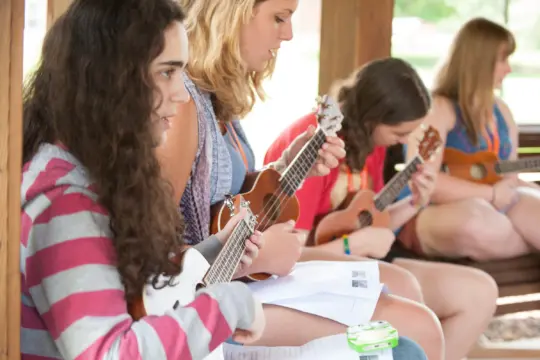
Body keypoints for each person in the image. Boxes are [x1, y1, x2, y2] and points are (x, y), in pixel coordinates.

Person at [160, 0, 439, 358]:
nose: (288, 34)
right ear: (231, 12)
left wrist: (289, 163)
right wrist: (256, 261)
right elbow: (157, 258)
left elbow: (230, 201)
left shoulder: (215, 101)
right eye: (279, 18)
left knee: (408, 326)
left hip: (243, 284)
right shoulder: (183, 105)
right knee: (410, 334)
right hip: (204, 308)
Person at [20, 1, 265, 359]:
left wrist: (214, 249)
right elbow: (113, 353)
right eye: (167, 72)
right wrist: (231, 304)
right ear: (111, 79)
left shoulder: (71, 169)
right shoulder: (66, 205)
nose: (182, 94)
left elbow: (120, 290)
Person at [264, 57, 499, 360]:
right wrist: (352, 245)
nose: (400, 144)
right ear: (374, 118)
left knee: (479, 291)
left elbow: (369, 222)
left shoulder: (371, 145)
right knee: (407, 294)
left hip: (358, 263)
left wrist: (415, 202)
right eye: (399, 135)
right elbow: (291, 256)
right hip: (308, 277)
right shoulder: (317, 140)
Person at [398, 17, 540, 261]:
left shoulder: (502, 111)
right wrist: (492, 196)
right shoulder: (437, 109)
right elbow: (425, 183)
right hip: (430, 213)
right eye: (503, 60)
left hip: (496, 211)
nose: (509, 69)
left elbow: (510, 179)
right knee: (477, 222)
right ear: (479, 62)